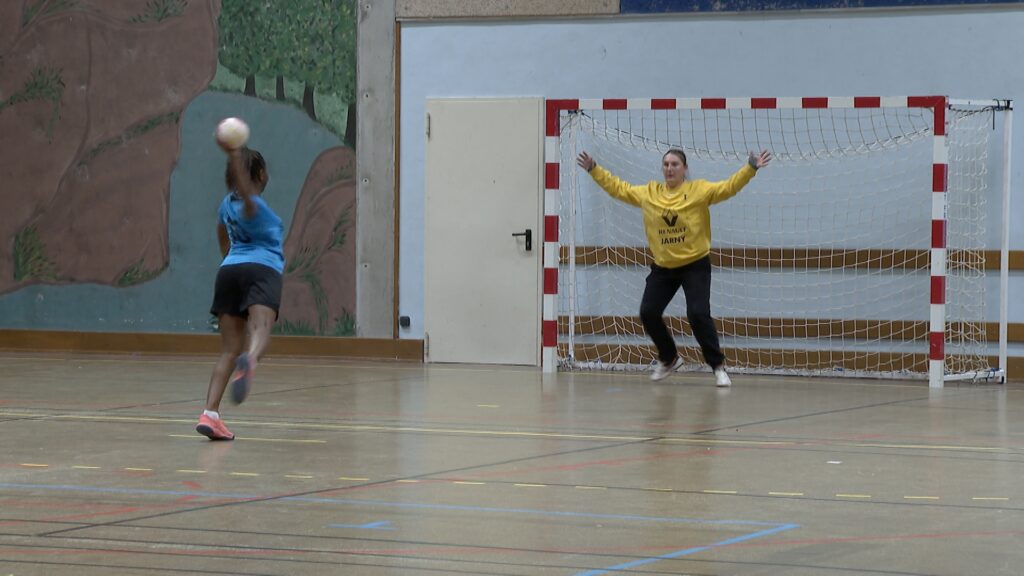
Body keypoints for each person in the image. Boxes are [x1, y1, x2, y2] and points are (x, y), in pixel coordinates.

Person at [576, 147, 771, 386]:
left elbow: (728, 187)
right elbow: (619, 189)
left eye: (675, 164)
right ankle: (669, 358)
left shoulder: (698, 190)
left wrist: (750, 168)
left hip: (695, 265)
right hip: (663, 267)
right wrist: (593, 170)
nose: (670, 168)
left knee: (698, 314)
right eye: (666, 164)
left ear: (684, 169)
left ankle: (718, 366)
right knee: (648, 312)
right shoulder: (649, 193)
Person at [195, 141, 285, 440]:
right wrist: (235, 155)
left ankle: (210, 415)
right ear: (258, 175)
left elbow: (221, 234)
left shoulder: (225, 205)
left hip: (229, 270)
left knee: (228, 350)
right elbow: (247, 198)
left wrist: (230, 261)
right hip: (262, 269)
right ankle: (252, 360)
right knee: (260, 330)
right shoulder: (254, 205)